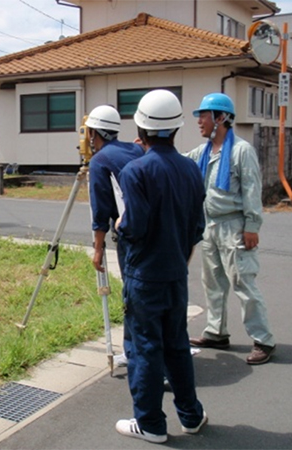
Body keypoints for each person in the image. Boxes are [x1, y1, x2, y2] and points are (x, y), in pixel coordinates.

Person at [115, 89, 207, 443]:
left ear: (141, 126)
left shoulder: (135, 170)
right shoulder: (190, 168)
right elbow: (197, 227)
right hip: (175, 273)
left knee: (145, 348)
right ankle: (191, 415)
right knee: (177, 345)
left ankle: (151, 423)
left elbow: (134, 228)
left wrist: (121, 226)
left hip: (145, 275)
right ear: (176, 128)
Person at [186, 92, 276, 365]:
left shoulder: (241, 151)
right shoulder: (203, 152)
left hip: (234, 226)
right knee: (212, 283)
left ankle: (264, 340)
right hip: (210, 226)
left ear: (221, 118)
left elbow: (252, 190)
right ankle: (216, 331)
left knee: (243, 283)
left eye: (204, 115)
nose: (199, 121)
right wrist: (149, 148)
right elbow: (180, 162)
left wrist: (252, 226)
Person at [86, 104, 144, 368]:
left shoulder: (100, 161)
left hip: (130, 234)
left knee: (133, 295)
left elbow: (101, 210)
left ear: (93, 133)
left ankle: (140, 356)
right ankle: (133, 351)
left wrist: (98, 248)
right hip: (153, 228)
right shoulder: (134, 148)